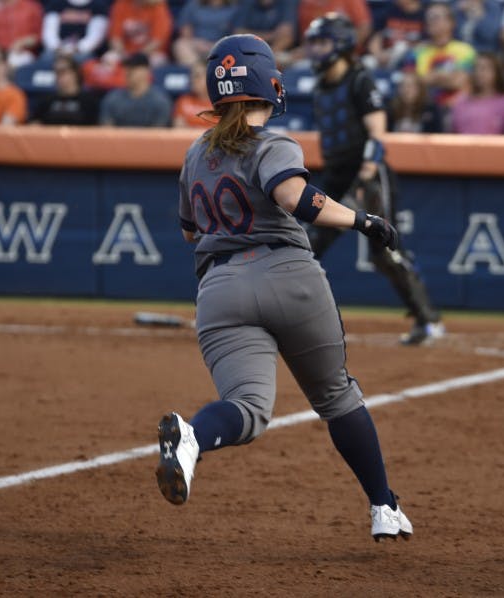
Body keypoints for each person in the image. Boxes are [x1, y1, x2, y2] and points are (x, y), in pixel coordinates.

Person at [158, 33, 414, 543]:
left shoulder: (194, 154)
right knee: (337, 396)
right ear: (267, 84)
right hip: (288, 276)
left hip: (220, 288)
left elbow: (190, 231)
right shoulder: (275, 143)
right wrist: (363, 221)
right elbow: (297, 197)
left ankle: (193, 437)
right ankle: (384, 507)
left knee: (248, 409)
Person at [306, 13, 444, 345]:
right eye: (314, 43)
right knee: (306, 245)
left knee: (384, 250)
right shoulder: (321, 87)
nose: (315, 51)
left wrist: (365, 175)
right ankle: (289, 318)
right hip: (335, 174)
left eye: (322, 43)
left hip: (366, 174)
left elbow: (377, 132)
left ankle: (427, 320)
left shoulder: (359, 80)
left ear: (341, 45)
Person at [405, 2, 476, 108]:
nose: (430, 21)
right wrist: (445, 77)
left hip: (456, 109)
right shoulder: (416, 52)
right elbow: (411, 84)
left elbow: (458, 82)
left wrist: (428, 78)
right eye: (427, 18)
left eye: (435, 17)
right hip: (424, 110)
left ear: (450, 22)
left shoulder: (466, 50)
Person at [448, 51, 504, 134]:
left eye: (484, 68)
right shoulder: (461, 101)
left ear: (497, 72)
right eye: (476, 68)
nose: (479, 73)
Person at [99, 52, 172, 126]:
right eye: (126, 67)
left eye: (133, 68)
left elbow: (158, 133)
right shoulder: (113, 98)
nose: (128, 72)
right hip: (118, 137)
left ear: (146, 71)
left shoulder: (159, 101)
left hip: (149, 137)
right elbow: (106, 131)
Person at [29, 55, 102, 125]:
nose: (59, 75)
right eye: (56, 72)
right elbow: (34, 123)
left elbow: (95, 128)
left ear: (75, 73)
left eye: (63, 71)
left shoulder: (89, 101)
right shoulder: (46, 101)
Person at [107, 0, 174, 67]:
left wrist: (138, 57)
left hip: (150, 53)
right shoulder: (122, 4)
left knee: (157, 61)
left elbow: (157, 41)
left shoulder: (159, 7)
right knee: (109, 58)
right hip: (125, 52)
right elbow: (115, 37)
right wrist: (122, 53)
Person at [173, 0, 239, 67]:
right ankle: (198, 70)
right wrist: (199, 43)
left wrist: (217, 45)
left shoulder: (234, 8)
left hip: (221, 47)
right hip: (197, 45)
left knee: (235, 48)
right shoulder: (194, 5)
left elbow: (237, 33)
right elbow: (185, 30)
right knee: (180, 44)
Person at [231, 0, 299, 63]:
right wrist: (273, 35)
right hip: (249, 53)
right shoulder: (247, 3)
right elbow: (237, 34)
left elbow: (287, 37)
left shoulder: (287, 2)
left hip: (277, 54)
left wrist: (267, 56)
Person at [41, 0, 110, 62]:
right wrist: (57, 47)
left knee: (83, 58)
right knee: (47, 57)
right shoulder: (56, 3)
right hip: (58, 49)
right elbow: (49, 33)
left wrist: (78, 48)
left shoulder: (98, 5)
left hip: (83, 51)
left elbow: (95, 37)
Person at [367, 0, 426, 69]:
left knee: (401, 47)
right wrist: (378, 54)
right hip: (386, 54)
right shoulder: (390, 11)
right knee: (367, 62)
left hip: (410, 58)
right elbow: (376, 37)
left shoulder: (424, 15)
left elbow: (425, 45)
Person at [172, 61, 214, 128]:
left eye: (197, 76)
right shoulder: (183, 101)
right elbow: (178, 129)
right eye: (192, 76)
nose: (192, 79)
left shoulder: (221, 106)